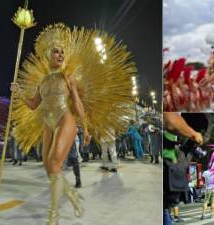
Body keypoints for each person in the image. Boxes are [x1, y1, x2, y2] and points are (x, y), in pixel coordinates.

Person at [10, 23, 136, 224]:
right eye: (56, 52)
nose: (60, 55)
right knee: (49, 167)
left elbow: (76, 102)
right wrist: (18, 92)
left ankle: (54, 216)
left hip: (64, 119)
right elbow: (33, 105)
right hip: (47, 123)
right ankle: (73, 196)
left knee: (54, 162)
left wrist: (85, 127)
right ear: (48, 55)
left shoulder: (67, 77)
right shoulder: (42, 82)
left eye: (62, 52)